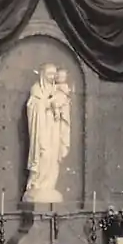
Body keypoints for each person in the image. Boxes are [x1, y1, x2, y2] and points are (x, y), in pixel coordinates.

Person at [22, 63, 71, 204]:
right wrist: (48, 104)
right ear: (42, 74)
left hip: (54, 128)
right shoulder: (36, 89)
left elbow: (64, 105)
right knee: (43, 155)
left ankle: (49, 185)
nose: (52, 77)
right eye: (49, 73)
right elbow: (33, 107)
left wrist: (61, 106)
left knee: (53, 156)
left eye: (54, 74)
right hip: (42, 128)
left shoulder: (57, 89)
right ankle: (36, 184)